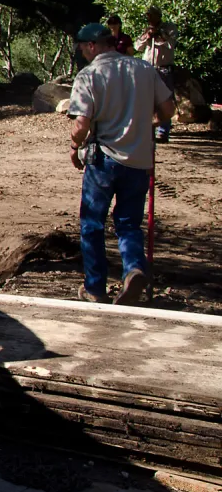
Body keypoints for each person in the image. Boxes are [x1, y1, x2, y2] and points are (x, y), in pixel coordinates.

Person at [68, 22, 175, 305]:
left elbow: (81, 124)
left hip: (104, 158)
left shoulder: (89, 75)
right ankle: (135, 269)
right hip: (140, 160)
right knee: (128, 223)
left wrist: (74, 146)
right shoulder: (143, 69)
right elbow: (168, 110)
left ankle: (95, 287)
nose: (82, 53)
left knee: (92, 224)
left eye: (82, 47)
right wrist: (143, 123)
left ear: (92, 46)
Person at [137, 6, 178, 142]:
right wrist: (146, 36)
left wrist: (159, 34)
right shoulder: (147, 29)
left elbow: (170, 44)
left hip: (164, 68)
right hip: (148, 68)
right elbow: (137, 46)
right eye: (148, 16)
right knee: (146, 100)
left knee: (164, 100)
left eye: (151, 15)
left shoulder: (169, 28)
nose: (149, 18)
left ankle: (163, 132)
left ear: (158, 16)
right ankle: (148, 130)